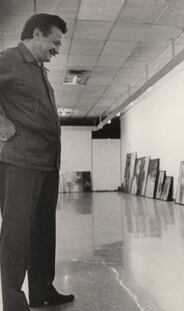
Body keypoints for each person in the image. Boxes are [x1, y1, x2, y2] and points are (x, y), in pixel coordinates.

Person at [0, 13, 74, 311]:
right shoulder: (10, 59)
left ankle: (41, 290)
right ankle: (14, 303)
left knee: (43, 231)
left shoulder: (39, 70)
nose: (57, 49)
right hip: (20, 162)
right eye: (54, 42)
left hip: (46, 163)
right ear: (36, 34)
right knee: (16, 235)